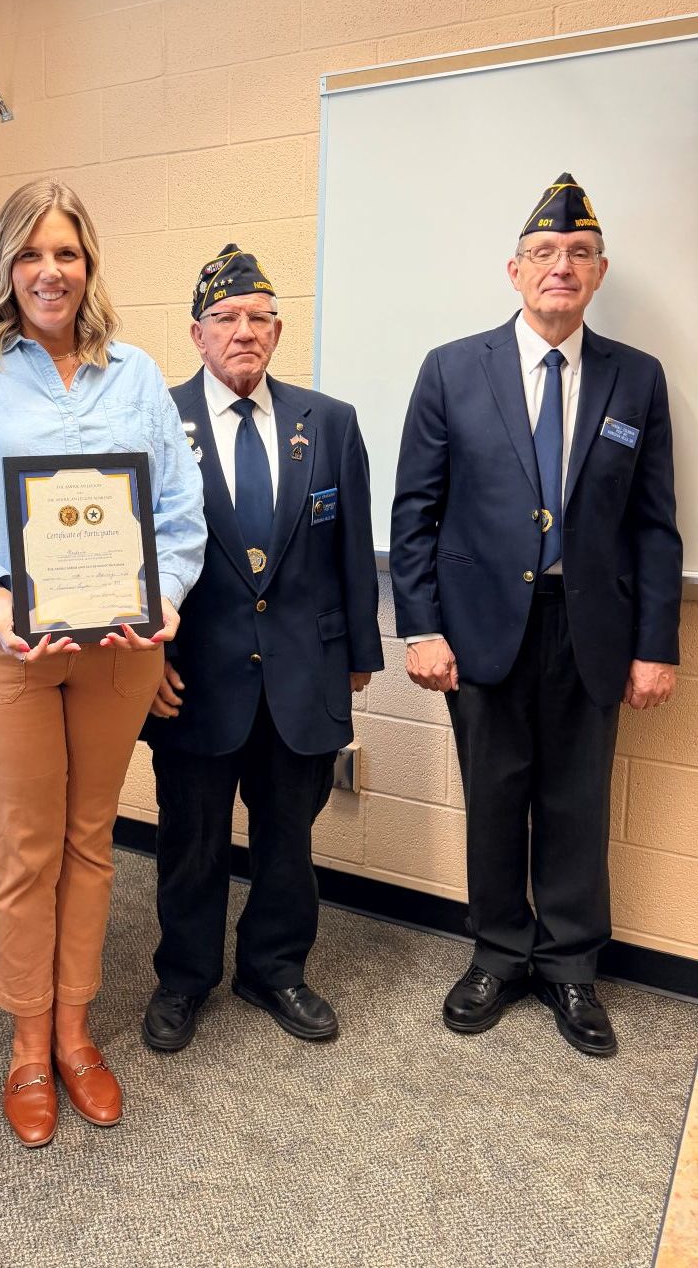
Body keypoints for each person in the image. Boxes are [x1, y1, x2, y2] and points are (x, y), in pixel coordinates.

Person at [0, 178, 205, 1147]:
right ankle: (28, 1046)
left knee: (90, 839)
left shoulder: (135, 375)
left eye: (66, 253)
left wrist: (164, 596)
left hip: (117, 650)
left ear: (89, 264)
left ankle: (77, 1033)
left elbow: (179, 516)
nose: (49, 271)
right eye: (30, 254)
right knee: (25, 849)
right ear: (5, 265)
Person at [390, 172, 681, 1056]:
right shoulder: (451, 368)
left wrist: (655, 644)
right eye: (544, 252)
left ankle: (568, 967)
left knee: (576, 803)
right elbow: (414, 511)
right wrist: (421, 627)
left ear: (599, 273)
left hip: (590, 628)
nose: (562, 266)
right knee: (494, 796)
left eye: (579, 253)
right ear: (513, 270)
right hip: (479, 627)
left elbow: (653, 524)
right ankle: (496, 953)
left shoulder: (635, 378)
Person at [140, 245, 383, 1053]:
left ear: (276, 331)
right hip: (193, 677)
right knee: (191, 841)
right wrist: (143, 659)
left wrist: (358, 655)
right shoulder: (153, 420)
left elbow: (351, 548)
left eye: (258, 318)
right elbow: (132, 551)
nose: (243, 331)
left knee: (288, 841)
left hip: (301, 673)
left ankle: (274, 969)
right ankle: (184, 977)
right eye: (225, 317)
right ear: (196, 333)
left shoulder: (329, 422)